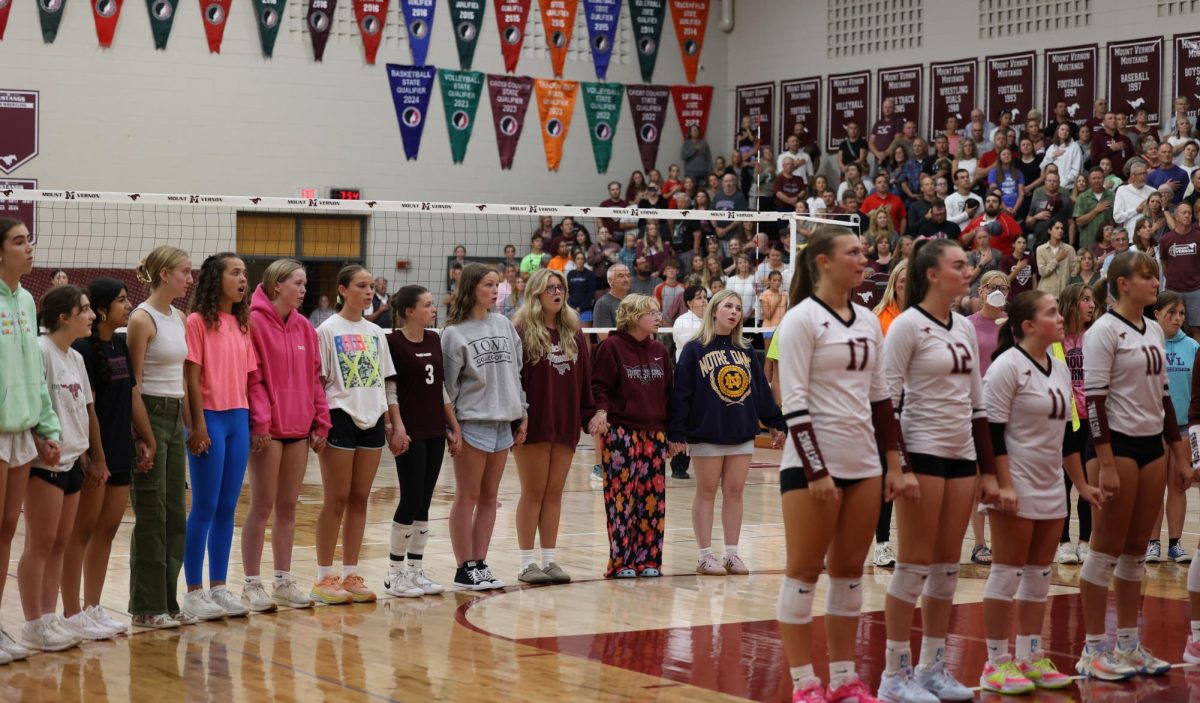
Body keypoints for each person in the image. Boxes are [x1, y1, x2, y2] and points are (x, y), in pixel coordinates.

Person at [774, 225, 912, 701]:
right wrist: (816, 469)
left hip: (864, 465)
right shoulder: (800, 320)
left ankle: (845, 679)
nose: (864, 258)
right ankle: (803, 683)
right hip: (811, 466)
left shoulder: (869, 320)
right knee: (805, 570)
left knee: (851, 570)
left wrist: (894, 464)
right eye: (853, 252)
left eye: (864, 251)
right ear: (824, 263)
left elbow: (880, 399)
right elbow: (792, 402)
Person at [879, 238, 1002, 703]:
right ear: (932, 274)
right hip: (922, 455)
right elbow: (886, 402)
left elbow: (977, 405)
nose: (967, 270)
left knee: (948, 568)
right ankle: (894, 673)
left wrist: (988, 471)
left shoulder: (966, 328)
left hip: (962, 459)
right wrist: (899, 465)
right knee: (912, 566)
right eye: (958, 265)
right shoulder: (908, 325)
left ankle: (933, 667)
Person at [977, 290, 1104, 694]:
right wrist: (1003, 485)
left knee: (1038, 577)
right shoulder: (1005, 367)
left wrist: (1082, 485)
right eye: (1052, 313)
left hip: (1051, 485)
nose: (1060, 318)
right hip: (1015, 482)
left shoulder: (1059, 366)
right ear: (1028, 326)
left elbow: (1068, 434)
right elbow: (990, 433)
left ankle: (1030, 657)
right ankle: (995, 663)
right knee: (1006, 573)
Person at [1076, 251, 1188, 680]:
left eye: (1155, 276)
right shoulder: (1103, 331)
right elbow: (1095, 401)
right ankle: (1091, 649)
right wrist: (1103, 462)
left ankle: (1128, 644)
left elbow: (1163, 396)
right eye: (1147, 276)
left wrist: (1178, 453)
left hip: (1151, 446)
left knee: (1137, 550)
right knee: (1105, 546)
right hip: (1115, 446)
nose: (1154, 283)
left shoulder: (1155, 329)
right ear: (1122, 283)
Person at [61, 278, 154, 638]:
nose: (128, 304)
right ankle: (71, 613)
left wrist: (145, 438)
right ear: (101, 309)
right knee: (81, 532)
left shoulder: (119, 343)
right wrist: (92, 456)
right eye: (121, 300)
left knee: (107, 530)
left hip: (119, 451)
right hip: (94, 455)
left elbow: (132, 397)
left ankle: (93, 607)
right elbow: (87, 410)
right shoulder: (83, 349)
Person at [670, 290, 784, 577]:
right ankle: (705, 555)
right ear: (714, 310)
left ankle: (731, 553)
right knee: (706, 492)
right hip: (707, 432)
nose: (733, 312)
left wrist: (775, 422)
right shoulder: (695, 349)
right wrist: (677, 432)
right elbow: (682, 394)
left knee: (735, 492)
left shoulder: (745, 350)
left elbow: (760, 391)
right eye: (728, 306)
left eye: (737, 308)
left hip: (740, 431)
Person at [240, 259, 331, 612]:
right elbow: (254, 378)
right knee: (262, 505)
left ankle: (282, 580)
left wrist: (320, 423)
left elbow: (314, 379)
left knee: (288, 506)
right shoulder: (254, 323)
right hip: (268, 430)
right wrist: (261, 421)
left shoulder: (306, 327)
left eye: (305, 283)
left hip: (299, 428)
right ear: (277, 285)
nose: (304, 289)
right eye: (298, 283)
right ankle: (251, 584)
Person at [311, 265, 398, 605]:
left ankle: (350, 574)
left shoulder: (376, 332)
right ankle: (323, 577)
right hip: (339, 416)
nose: (367, 291)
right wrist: (316, 424)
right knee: (337, 498)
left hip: (373, 417)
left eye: (370, 286)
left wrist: (393, 422)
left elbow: (387, 382)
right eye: (361, 286)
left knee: (361, 498)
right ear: (343, 289)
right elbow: (318, 383)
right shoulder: (326, 331)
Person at [180, 253, 257, 621]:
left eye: (245, 274)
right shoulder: (196, 322)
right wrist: (197, 424)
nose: (243, 279)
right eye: (235, 272)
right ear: (216, 278)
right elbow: (190, 378)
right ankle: (193, 591)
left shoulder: (243, 325)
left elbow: (248, 378)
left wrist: (255, 423)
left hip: (238, 418)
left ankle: (219, 586)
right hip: (208, 417)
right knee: (205, 506)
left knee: (228, 507)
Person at [512, 269, 601, 585]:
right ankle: (526, 563)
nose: (556, 292)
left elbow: (585, 378)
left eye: (560, 287)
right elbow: (515, 380)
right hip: (533, 423)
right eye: (549, 287)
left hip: (565, 422)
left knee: (554, 492)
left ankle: (548, 560)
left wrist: (588, 414)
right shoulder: (521, 330)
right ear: (536, 293)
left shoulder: (573, 331)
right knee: (533, 492)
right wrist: (516, 419)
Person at [442, 264, 527, 591]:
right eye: (489, 285)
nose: (495, 291)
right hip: (472, 422)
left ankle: (480, 562)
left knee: (491, 498)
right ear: (471, 288)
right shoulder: (454, 333)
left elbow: (517, 375)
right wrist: (452, 427)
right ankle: (464, 567)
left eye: (497, 285)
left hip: (503, 423)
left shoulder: (504, 324)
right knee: (468, 496)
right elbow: (447, 388)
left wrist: (523, 412)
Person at [19, 285, 93, 647]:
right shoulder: (40, 350)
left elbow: (81, 410)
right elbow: (35, 402)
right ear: (64, 317)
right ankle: (33, 623)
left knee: (60, 542)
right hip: (44, 460)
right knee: (40, 542)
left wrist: (86, 453)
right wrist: (38, 441)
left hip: (73, 458)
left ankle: (49, 617)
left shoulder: (76, 357)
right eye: (85, 309)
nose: (92, 315)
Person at [126, 245, 192, 630]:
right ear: (165, 274)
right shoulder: (141, 319)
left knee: (174, 514)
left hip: (175, 413)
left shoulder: (179, 316)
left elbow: (181, 377)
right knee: (151, 513)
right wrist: (143, 436)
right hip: (149, 414)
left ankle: (168, 600)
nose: (190, 278)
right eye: (184, 271)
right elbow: (133, 386)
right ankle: (146, 606)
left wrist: (190, 423)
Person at [383, 285, 461, 598]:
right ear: (409, 311)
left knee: (425, 501)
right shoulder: (392, 342)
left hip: (434, 430)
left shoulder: (434, 338)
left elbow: (440, 388)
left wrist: (453, 425)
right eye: (428, 305)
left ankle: (416, 570)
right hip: (410, 431)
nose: (434, 309)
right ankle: (394, 573)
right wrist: (396, 427)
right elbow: (390, 391)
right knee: (411, 498)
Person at [592, 295, 676, 579]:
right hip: (621, 433)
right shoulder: (610, 347)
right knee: (621, 499)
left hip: (654, 434)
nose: (657, 316)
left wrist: (672, 432)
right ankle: (621, 561)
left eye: (658, 312)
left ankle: (649, 559)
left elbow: (668, 396)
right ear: (632, 316)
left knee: (652, 499)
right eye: (651, 312)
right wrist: (601, 412)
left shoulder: (659, 351)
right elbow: (599, 386)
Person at [1147, 292, 1196, 564]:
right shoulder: (1146, 345)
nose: (1177, 319)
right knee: (1154, 487)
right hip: (1153, 428)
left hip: (1183, 429)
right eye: (1171, 313)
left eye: (1181, 314)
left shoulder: (1193, 348)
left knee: (1178, 485)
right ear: (1156, 314)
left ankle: (1175, 543)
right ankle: (1152, 543)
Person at [1053, 284, 1095, 567]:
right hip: (1065, 420)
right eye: (1086, 300)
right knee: (1064, 483)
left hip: (1092, 418)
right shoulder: (1054, 339)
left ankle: (1085, 541)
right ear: (1071, 304)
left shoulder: (1096, 337)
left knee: (1090, 482)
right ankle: (1063, 542)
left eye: (1093, 300)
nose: (1092, 305)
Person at [669, 286, 707, 480]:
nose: (704, 301)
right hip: (687, 374)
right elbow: (696, 345)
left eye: (705, 297)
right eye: (699, 298)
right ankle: (679, 464)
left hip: (707, 375)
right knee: (683, 418)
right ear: (689, 302)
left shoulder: (711, 320)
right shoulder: (683, 321)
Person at [1159, 202, 1200, 340]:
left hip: (1195, 289)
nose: (1188, 215)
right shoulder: (1166, 239)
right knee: (1171, 326)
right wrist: (1171, 276)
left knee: (1196, 328)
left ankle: (1197, 360)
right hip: (1173, 290)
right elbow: (1164, 262)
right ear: (1176, 216)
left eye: (1190, 213)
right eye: (1184, 213)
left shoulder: (1198, 237)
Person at [1036, 220, 1076, 297]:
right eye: (1057, 228)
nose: (1060, 230)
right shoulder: (1041, 249)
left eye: (1062, 228)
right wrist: (1056, 260)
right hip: (1046, 293)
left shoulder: (1069, 249)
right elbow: (1043, 272)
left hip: (1065, 293)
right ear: (1049, 231)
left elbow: (1074, 272)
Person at [566, 250, 596, 324]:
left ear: (584, 261)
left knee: (585, 333)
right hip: (572, 308)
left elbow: (591, 293)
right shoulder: (570, 274)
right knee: (572, 332)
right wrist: (571, 306)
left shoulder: (590, 274)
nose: (580, 261)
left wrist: (581, 308)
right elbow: (568, 291)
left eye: (582, 259)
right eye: (578, 259)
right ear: (574, 261)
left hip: (586, 309)